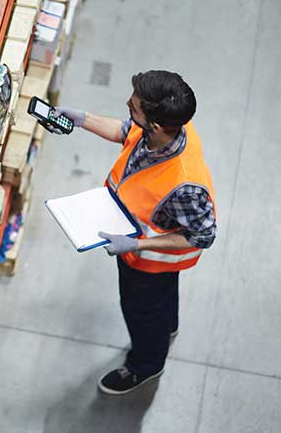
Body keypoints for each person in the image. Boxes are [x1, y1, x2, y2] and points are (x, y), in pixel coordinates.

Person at [51, 70, 216, 395]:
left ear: (155, 125)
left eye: (135, 106)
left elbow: (203, 235)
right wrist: (83, 119)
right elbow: (128, 131)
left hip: (148, 264)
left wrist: (137, 244)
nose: (128, 104)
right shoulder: (167, 128)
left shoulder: (185, 186)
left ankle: (146, 365)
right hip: (147, 258)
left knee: (142, 313)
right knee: (162, 306)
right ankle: (167, 326)